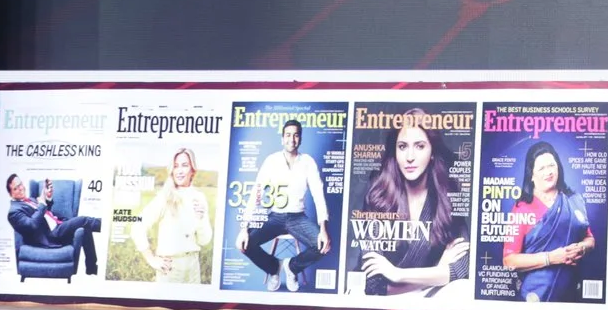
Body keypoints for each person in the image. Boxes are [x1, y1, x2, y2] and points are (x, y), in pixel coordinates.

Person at [355, 114, 469, 297]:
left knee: (464, 288)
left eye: (420, 146)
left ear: (432, 152)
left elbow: (462, 269)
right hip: (381, 301)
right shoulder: (378, 196)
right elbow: (374, 286)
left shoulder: (447, 197)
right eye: (402, 147)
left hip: (425, 295)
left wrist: (397, 274)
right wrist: (438, 272)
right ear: (395, 152)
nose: (410, 157)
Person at [237, 118, 332, 292]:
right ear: (282, 139)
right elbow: (256, 193)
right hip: (274, 217)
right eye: (288, 135)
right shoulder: (271, 161)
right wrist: (244, 228)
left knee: (323, 246)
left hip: (297, 218)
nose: (292, 139)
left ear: (300, 138)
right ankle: (273, 269)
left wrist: (323, 229)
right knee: (245, 243)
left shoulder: (308, 162)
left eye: (296, 135)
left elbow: (318, 195)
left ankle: (291, 267)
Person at [499, 140, 595, 302]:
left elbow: (590, 239)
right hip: (535, 297)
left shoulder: (574, 200)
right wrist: (550, 257)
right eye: (541, 168)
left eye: (551, 165)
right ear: (532, 175)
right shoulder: (521, 209)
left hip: (571, 294)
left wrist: (581, 248)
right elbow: (509, 260)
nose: (548, 172)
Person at [135, 147, 214, 287]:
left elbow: (204, 240)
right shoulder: (165, 196)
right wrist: (151, 259)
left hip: (193, 267)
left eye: (185, 165)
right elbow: (137, 226)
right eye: (176, 166)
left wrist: (201, 219)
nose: (179, 171)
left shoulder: (199, 197)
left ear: (192, 170)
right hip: (171, 269)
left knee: (192, 309)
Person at [7, 172, 104, 275]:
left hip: (58, 224)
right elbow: (32, 225)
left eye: (20, 184)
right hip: (51, 235)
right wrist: (41, 203)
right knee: (83, 220)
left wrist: (47, 198)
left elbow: (44, 213)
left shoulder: (30, 200)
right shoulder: (14, 212)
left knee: (85, 229)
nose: (21, 188)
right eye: (16, 188)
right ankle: (106, 226)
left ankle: (91, 268)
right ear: (10, 193)